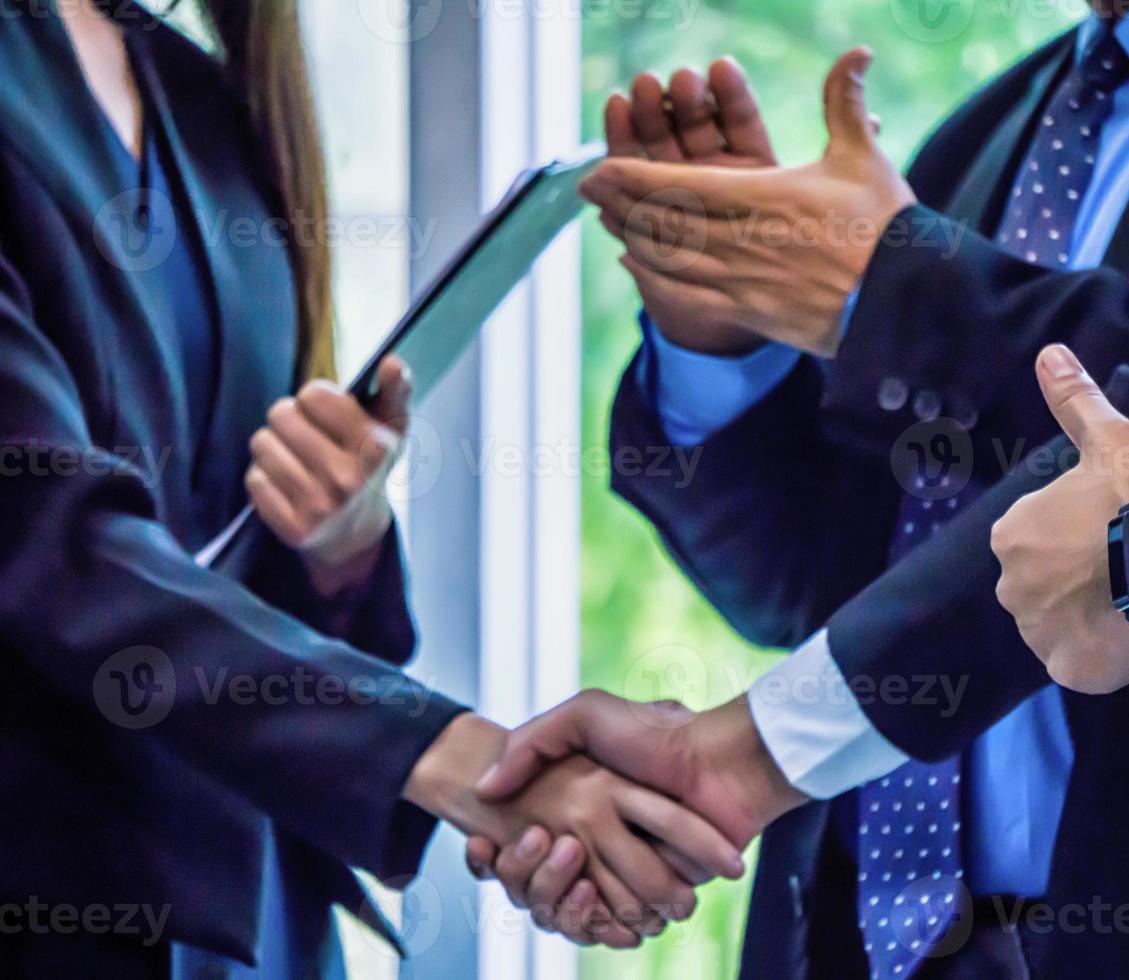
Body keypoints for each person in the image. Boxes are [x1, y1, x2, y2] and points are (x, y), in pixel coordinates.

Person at [479, 0, 1129, 974]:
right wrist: (726, 335)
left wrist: (896, 296)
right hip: (868, 934)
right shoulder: (987, 127)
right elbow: (814, 580)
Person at [0, 2, 742, 975]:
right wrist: (468, 761)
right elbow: (48, 547)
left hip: (258, 914)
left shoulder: (197, 91)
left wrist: (338, 545)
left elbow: (220, 547)